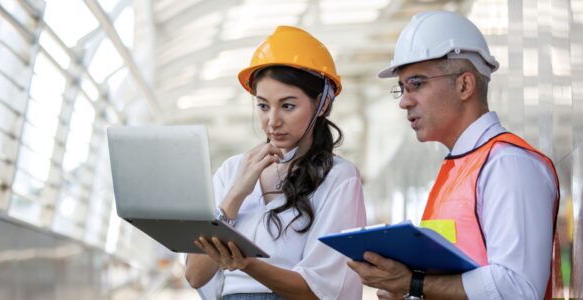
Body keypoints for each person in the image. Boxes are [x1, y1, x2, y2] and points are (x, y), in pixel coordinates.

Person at [347, 11, 560, 300]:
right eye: (402, 88)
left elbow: (517, 288)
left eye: (417, 84)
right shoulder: (460, 167)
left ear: (464, 85)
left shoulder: (509, 164)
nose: (405, 101)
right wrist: (409, 293)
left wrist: (414, 284)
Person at [184, 25, 367, 300]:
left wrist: (249, 264)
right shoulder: (232, 170)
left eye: (288, 106)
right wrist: (236, 194)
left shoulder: (338, 177)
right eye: (263, 105)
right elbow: (195, 275)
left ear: (322, 105)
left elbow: (321, 291)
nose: (272, 121)